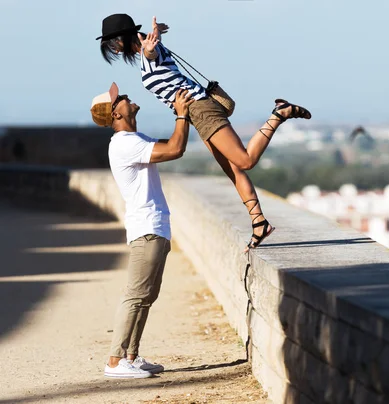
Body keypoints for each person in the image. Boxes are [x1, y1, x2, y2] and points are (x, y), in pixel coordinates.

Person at [96, 13, 312, 252]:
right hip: (197, 112)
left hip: (200, 109)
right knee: (233, 168)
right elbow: (152, 49)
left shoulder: (150, 55)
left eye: (113, 45)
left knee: (245, 160)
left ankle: (279, 114)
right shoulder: (153, 46)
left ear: (122, 40)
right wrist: (153, 37)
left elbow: (151, 54)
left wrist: (149, 48)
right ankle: (259, 222)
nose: (115, 51)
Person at [90, 82, 195, 378]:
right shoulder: (125, 143)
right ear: (116, 115)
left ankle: (131, 356)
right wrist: (182, 114)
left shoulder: (134, 139)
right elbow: (175, 149)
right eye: (119, 99)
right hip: (146, 229)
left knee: (147, 295)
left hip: (154, 227)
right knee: (135, 294)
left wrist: (182, 115)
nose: (125, 97)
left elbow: (174, 143)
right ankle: (114, 361)